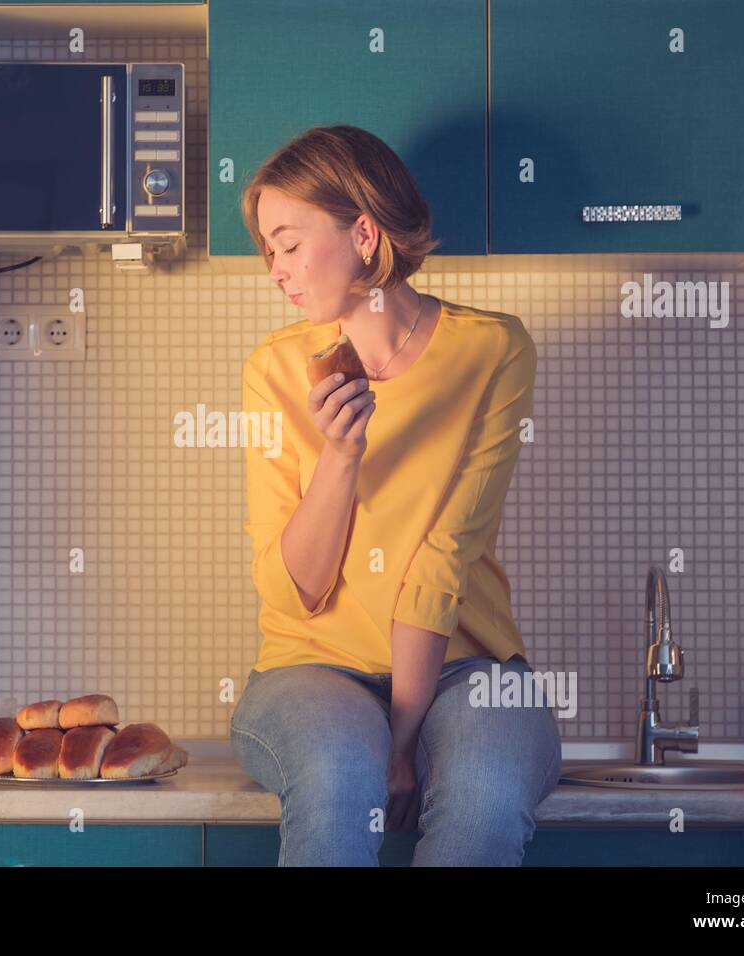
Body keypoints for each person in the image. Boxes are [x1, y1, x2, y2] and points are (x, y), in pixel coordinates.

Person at [233, 125, 561, 866]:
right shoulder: (275, 371)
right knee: (337, 776)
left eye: (288, 243)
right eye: (268, 250)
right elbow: (296, 592)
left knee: (482, 798)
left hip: (469, 667)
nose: (276, 271)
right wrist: (340, 457)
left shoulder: (492, 351)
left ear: (365, 232)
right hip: (310, 669)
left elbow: (443, 562)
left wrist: (403, 743)